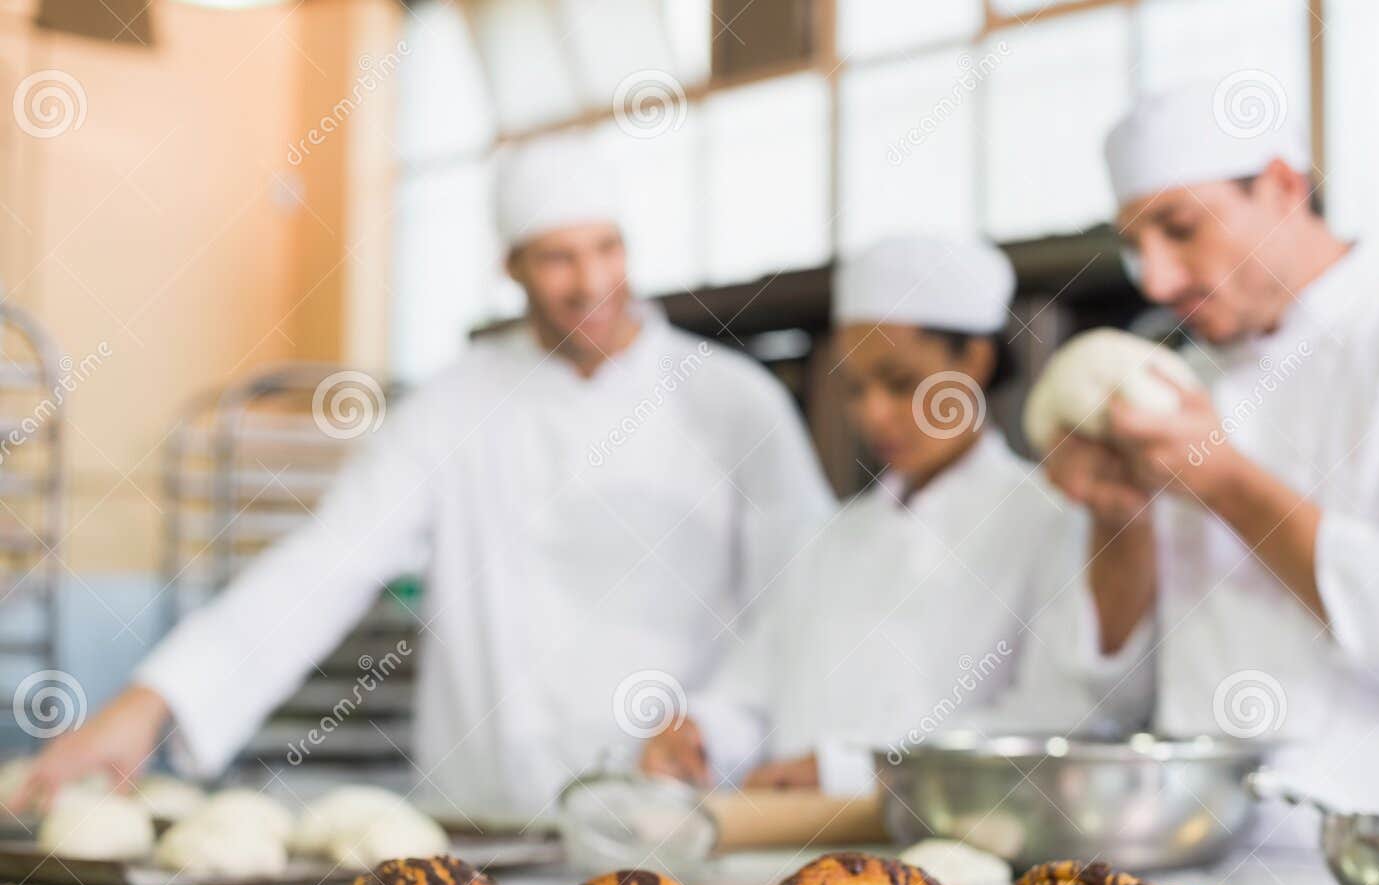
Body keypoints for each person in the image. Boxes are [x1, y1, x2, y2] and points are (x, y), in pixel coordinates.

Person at [17, 136, 834, 821]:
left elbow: (805, 596)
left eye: (605, 249)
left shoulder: (734, 402)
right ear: (510, 265)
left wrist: (722, 724)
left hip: (675, 820)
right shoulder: (456, 404)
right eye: (557, 258)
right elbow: (328, 562)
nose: (589, 283)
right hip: (487, 819)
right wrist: (152, 702)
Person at [1041, 79, 1379, 843]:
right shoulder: (1176, 384)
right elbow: (1108, 701)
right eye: (1135, 246)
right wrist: (1119, 519)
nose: (1156, 279)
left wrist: (1225, 481)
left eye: (1181, 228)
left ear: (1284, 186)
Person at [641, 235, 1126, 793]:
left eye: (901, 384)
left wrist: (852, 771)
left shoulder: (1052, 520)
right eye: (854, 387)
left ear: (975, 360)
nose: (874, 415)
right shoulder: (834, 537)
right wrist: (701, 733)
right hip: (795, 860)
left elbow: (1057, 721)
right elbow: (753, 694)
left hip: (957, 865)